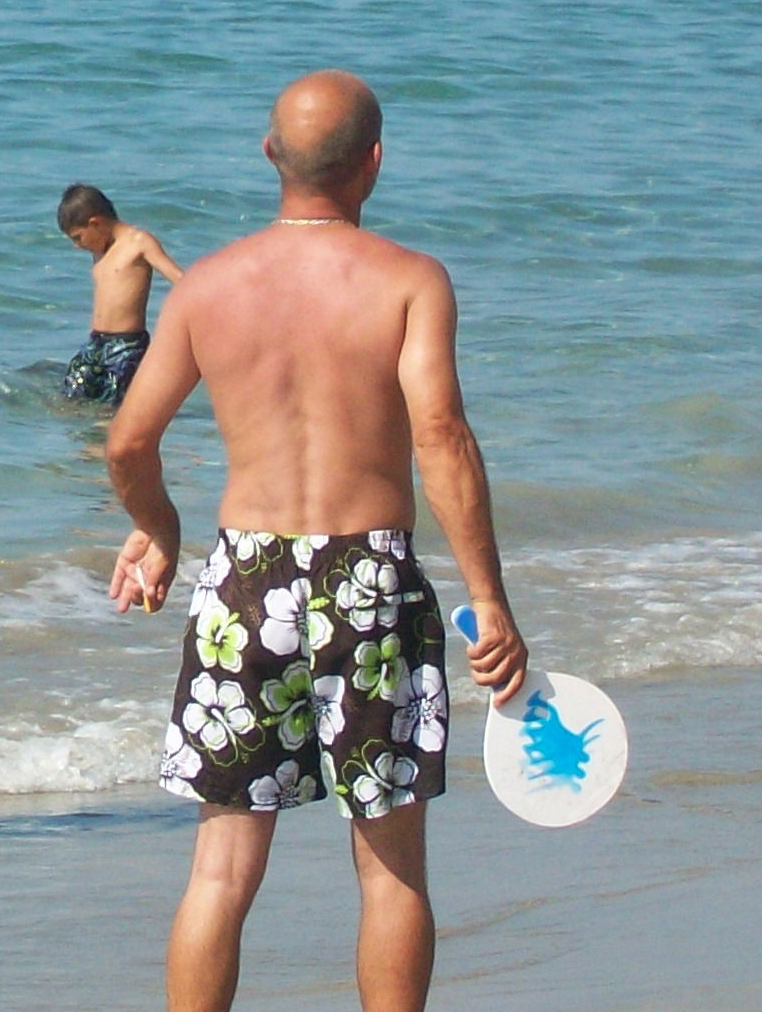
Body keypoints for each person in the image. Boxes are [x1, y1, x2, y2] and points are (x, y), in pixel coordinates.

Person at [104, 71, 528, 1012]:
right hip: (367, 576)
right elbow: (441, 436)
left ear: (269, 156)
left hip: (245, 581)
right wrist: (488, 595)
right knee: (391, 872)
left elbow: (128, 441)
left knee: (221, 870)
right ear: (374, 163)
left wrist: (157, 531)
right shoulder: (410, 281)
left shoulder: (207, 287)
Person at [58, 183, 188, 403]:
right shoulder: (100, 249)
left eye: (78, 237)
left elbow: (180, 279)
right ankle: (86, 437)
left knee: (113, 407)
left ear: (95, 223)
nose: (77, 246)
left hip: (126, 346)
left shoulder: (138, 242)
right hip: (95, 343)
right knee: (70, 400)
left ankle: (106, 436)